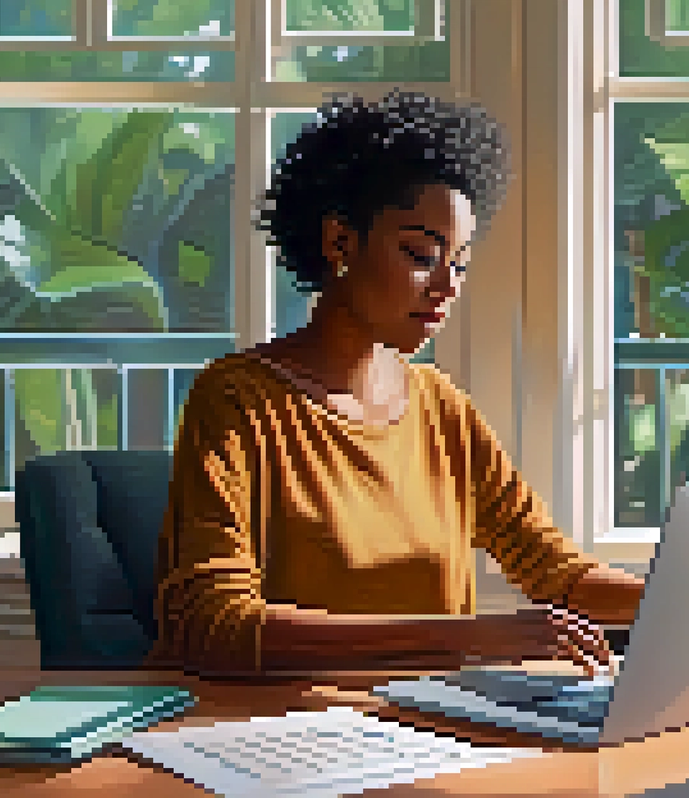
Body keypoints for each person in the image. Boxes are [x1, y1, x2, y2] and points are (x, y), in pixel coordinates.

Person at [148, 89, 647, 677]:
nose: (447, 285)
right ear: (339, 243)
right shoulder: (238, 403)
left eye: (458, 262)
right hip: (279, 737)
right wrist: (467, 639)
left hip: (426, 729)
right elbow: (214, 625)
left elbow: (555, 571)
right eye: (419, 254)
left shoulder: (441, 409)